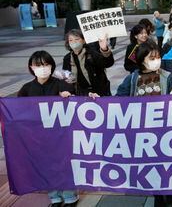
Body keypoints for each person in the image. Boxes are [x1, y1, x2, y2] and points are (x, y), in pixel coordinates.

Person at [18, 51, 78, 207]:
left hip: (60, 136)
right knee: (45, 166)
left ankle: (70, 196)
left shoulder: (60, 84)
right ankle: (54, 196)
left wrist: (68, 96)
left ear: (52, 66)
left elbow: (76, 103)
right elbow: (17, 111)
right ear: (31, 67)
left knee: (63, 165)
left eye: (46, 64)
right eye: (38, 65)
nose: (43, 68)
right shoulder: (26, 89)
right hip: (37, 138)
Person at [63, 29, 114, 96]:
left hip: (98, 92)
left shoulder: (91, 54)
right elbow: (66, 76)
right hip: (80, 93)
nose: (74, 42)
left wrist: (104, 49)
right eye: (71, 40)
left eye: (77, 39)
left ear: (83, 41)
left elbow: (108, 63)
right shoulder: (67, 58)